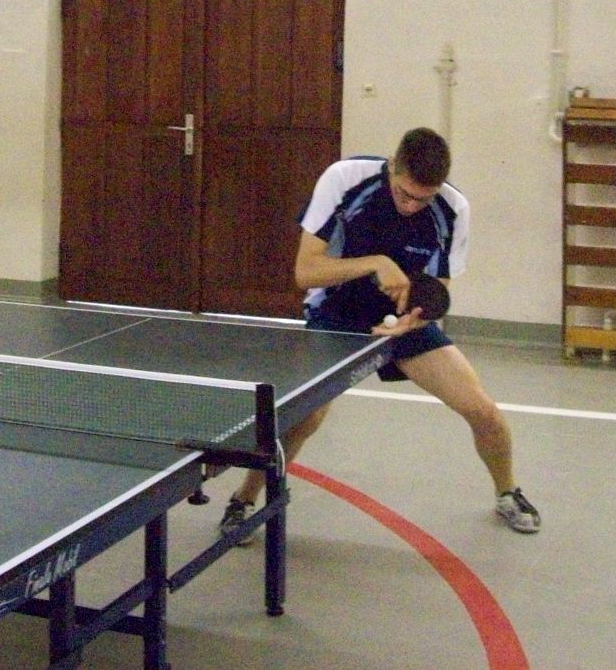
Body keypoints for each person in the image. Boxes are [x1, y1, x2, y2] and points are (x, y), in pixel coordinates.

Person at [219, 126, 540, 538]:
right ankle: (244, 499)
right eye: (405, 194)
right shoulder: (345, 180)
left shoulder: (453, 209)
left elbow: (437, 288)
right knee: (305, 415)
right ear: (392, 167)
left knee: (483, 412)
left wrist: (416, 318)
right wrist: (376, 263)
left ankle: (508, 493)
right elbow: (306, 272)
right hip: (337, 311)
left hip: (401, 320)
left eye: (423, 199)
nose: (411, 206)